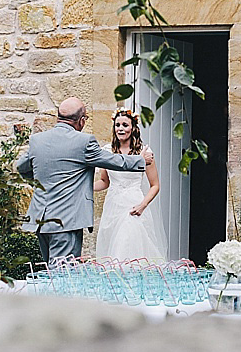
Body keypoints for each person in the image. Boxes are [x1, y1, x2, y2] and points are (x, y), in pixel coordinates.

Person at [16, 97, 153, 264]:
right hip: (66, 220)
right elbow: (114, 161)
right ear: (81, 121)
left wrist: (42, 180)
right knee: (62, 275)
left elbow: (21, 167)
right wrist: (140, 160)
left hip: (41, 219)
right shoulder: (83, 142)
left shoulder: (37, 140)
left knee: (49, 272)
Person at [93, 109, 168, 262]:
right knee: (111, 247)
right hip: (113, 205)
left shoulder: (144, 152)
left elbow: (155, 185)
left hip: (134, 205)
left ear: (133, 128)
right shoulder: (107, 151)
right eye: (117, 125)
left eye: (125, 125)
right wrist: (84, 187)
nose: (120, 128)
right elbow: (104, 182)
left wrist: (142, 205)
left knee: (128, 243)